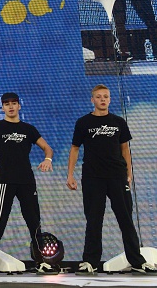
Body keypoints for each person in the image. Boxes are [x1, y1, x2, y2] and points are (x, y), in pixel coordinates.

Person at [67, 84, 157, 275]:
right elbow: (75, 149)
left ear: (109, 99)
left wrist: (129, 173)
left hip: (117, 176)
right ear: (92, 99)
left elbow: (125, 149)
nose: (102, 100)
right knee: (93, 220)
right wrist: (70, 175)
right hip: (92, 178)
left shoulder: (118, 122)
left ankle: (136, 261)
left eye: (105, 97)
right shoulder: (83, 122)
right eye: (98, 97)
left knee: (126, 220)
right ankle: (90, 262)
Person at [0, 93, 55, 275]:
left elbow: (47, 148)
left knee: (33, 220)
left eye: (13, 103)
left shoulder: (28, 129)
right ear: (2, 107)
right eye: (6, 104)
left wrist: (48, 159)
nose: (10, 107)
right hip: (4, 180)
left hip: (26, 180)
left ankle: (41, 262)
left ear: (19, 106)